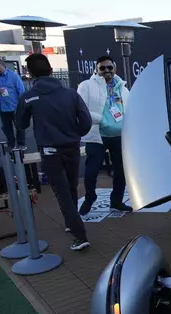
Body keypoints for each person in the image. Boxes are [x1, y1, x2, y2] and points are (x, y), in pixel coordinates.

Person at [15, 54, 92, 251]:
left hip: (50, 151)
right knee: (71, 187)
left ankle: (79, 235)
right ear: (51, 71)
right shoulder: (70, 94)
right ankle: (71, 223)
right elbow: (86, 122)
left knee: (63, 193)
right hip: (72, 147)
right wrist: (74, 134)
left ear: (30, 74)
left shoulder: (28, 96)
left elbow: (20, 123)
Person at [77, 56, 133, 215]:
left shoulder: (122, 87)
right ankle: (89, 198)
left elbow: (128, 110)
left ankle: (116, 201)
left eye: (110, 68)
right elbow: (81, 110)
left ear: (115, 68)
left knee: (121, 171)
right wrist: (101, 120)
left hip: (119, 137)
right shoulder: (86, 86)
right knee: (92, 171)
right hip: (97, 136)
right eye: (103, 68)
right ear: (96, 69)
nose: (107, 71)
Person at [0, 59, 26, 148]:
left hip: (15, 106)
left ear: (3, 66)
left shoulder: (13, 76)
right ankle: (11, 143)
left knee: (19, 126)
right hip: (2, 107)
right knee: (6, 127)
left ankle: (21, 144)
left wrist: (22, 105)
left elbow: (21, 90)